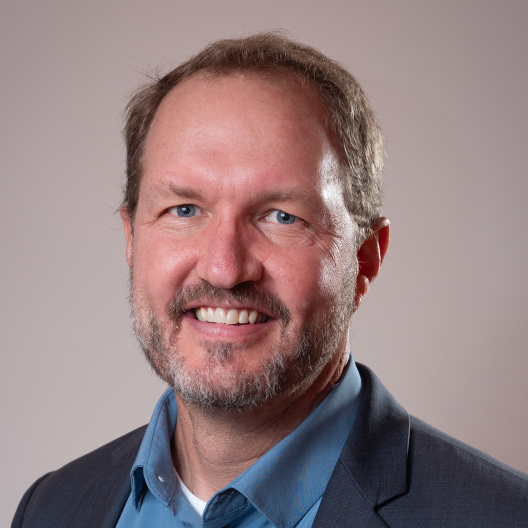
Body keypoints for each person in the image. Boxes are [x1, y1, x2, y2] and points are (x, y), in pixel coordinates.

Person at [12, 32, 528, 528]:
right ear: (131, 239)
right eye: (184, 209)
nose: (224, 268)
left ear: (365, 260)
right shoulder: (51, 508)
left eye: (281, 216)